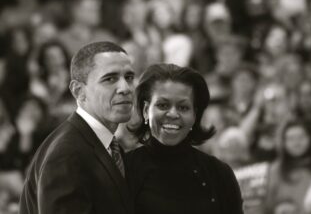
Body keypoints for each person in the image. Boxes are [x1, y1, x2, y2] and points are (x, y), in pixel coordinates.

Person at [19, 41, 135, 214]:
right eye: (110, 79)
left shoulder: (104, 143)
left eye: (129, 77)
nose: (125, 88)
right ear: (79, 91)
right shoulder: (66, 155)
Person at [126, 63, 243, 214]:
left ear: (195, 115)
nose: (173, 114)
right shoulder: (125, 169)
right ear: (146, 110)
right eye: (163, 105)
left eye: (183, 107)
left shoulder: (219, 173)